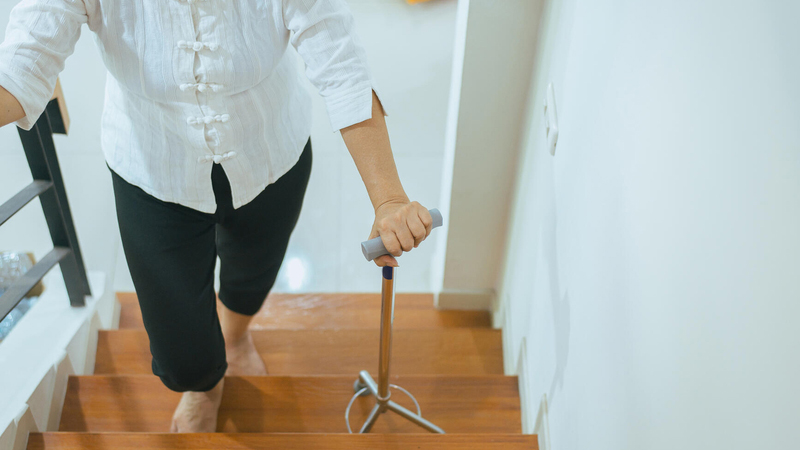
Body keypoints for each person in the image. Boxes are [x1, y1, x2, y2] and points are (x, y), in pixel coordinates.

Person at [0, 0, 433, 432]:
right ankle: (202, 386)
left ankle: (236, 335)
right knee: (177, 340)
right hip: (152, 167)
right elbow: (20, 66)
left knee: (251, 273)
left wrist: (389, 199)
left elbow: (342, 66)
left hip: (268, 154)